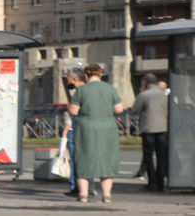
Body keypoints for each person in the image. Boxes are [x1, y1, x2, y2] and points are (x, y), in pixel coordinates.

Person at [69, 63, 124, 203]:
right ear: (100, 75)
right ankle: (106, 195)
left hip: (86, 127)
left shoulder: (81, 90)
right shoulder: (110, 89)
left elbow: (73, 111)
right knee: (106, 159)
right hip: (107, 127)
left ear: (86, 76)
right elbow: (119, 109)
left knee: (83, 158)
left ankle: (83, 195)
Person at [132, 73, 168, 192]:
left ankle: (152, 182)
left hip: (148, 128)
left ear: (146, 83)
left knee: (148, 156)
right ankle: (161, 182)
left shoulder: (144, 95)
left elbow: (135, 109)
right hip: (163, 128)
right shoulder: (164, 94)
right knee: (161, 156)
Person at [59, 67, 85, 197]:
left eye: (68, 78)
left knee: (74, 160)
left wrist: (66, 130)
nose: (67, 81)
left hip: (75, 130)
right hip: (84, 130)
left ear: (74, 79)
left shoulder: (79, 92)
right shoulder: (83, 91)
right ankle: (87, 188)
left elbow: (73, 113)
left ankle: (76, 187)